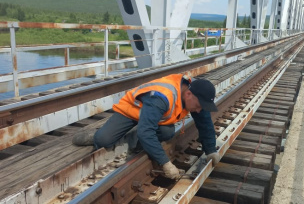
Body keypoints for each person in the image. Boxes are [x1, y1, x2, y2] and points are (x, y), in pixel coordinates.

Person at [73, 74, 220, 179]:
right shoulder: (163, 97)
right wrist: (165, 163)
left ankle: (136, 136)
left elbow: (204, 121)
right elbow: (146, 132)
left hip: (154, 116)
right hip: (132, 111)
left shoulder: (195, 94)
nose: (199, 110)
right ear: (188, 95)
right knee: (104, 140)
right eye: (199, 106)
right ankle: (95, 135)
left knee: (167, 132)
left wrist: (211, 150)